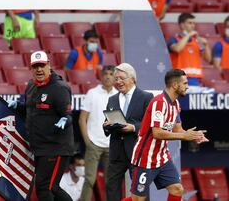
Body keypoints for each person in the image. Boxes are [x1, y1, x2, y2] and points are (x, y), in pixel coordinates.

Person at [122, 69, 209, 201]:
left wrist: (193, 136)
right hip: (145, 158)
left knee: (177, 189)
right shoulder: (159, 103)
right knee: (138, 199)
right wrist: (184, 136)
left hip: (162, 157)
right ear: (175, 85)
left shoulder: (176, 104)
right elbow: (157, 133)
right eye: (185, 83)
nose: (187, 86)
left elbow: (178, 129)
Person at [8, 51, 74, 201]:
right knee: (51, 188)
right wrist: (18, 106)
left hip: (56, 147)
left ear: (48, 66)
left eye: (42, 66)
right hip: (38, 147)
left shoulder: (59, 88)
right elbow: (31, 110)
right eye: (35, 66)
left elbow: (68, 115)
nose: (39, 70)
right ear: (31, 68)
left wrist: (65, 121)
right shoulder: (31, 86)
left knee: (46, 187)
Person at [103, 63, 153, 201]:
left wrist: (134, 127)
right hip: (117, 152)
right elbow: (107, 121)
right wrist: (106, 125)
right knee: (111, 187)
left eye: (121, 78)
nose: (118, 82)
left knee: (140, 189)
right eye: (116, 78)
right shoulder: (112, 99)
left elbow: (150, 124)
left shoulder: (146, 97)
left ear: (133, 79)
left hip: (137, 151)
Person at [78, 65, 117, 201]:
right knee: (89, 179)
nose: (108, 76)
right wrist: (88, 141)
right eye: (105, 74)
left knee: (110, 182)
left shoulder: (118, 95)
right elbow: (82, 119)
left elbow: (118, 122)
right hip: (93, 143)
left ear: (115, 77)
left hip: (111, 145)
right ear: (101, 76)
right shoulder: (92, 93)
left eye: (111, 74)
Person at [167, 13, 211, 87]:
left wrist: (206, 45)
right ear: (182, 25)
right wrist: (189, 35)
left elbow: (208, 59)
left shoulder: (196, 41)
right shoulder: (174, 39)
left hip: (195, 79)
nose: (193, 25)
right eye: (190, 23)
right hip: (179, 79)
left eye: (194, 23)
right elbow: (177, 49)